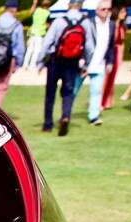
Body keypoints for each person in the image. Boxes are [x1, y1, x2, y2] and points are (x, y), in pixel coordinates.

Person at [39, 0, 95, 135]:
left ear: (69, 5)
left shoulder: (59, 21)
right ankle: (65, 116)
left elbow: (47, 42)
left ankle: (47, 124)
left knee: (50, 92)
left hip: (56, 59)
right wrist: (87, 63)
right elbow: (90, 47)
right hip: (72, 61)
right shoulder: (86, 22)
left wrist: (40, 61)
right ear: (81, 6)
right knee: (68, 91)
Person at [84, 0, 117, 124]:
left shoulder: (111, 24)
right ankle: (66, 115)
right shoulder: (89, 22)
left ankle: (94, 116)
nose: (106, 12)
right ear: (97, 10)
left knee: (96, 91)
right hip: (86, 63)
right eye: (104, 9)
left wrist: (110, 62)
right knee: (72, 91)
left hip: (100, 64)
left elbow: (111, 46)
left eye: (109, 9)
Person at [103, 5, 127, 109]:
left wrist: (121, 57)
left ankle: (108, 100)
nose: (124, 14)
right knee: (106, 77)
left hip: (117, 52)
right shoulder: (110, 25)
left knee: (112, 78)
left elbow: (122, 43)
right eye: (122, 12)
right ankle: (102, 101)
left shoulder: (122, 27)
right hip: (109, 52)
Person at [23, 0, 52, 69]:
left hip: (32, 32)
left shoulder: (37, 10)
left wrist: (34, 3)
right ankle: (32, 65)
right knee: (37, 50)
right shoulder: (47, 13)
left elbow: (30, 13)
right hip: (40, 33)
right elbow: (48, 25)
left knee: (29, 50)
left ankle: (25, 64)